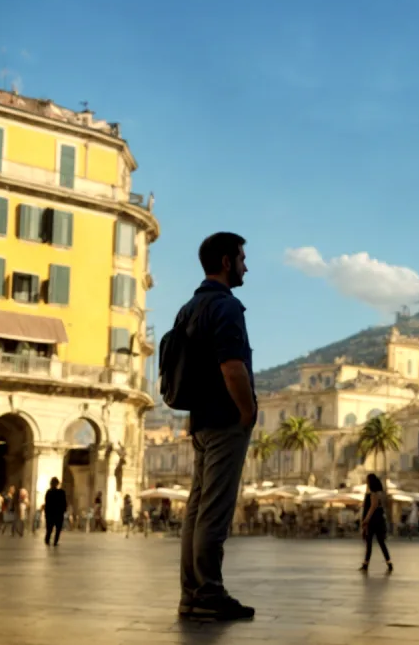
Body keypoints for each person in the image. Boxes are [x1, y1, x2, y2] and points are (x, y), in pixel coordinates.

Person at [176, 232, 257, 621]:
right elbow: (232, 366)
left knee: (196, 507)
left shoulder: (188, 308)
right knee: (215, 510)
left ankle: (191, 592)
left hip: (200, 419)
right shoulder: (226, 307)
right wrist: (248, 410)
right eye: (242, 258)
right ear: (226, 262)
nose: (246, 266)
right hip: (225, 418)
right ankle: (209, 592)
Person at [360, 473, 393, 573]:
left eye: (367, 481)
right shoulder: (378, 492)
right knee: (380, 542)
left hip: (373, 520)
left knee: (370, 542)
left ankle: (366, 564)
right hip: (378, 520)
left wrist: (366, 519)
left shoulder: (374, 493)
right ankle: (388, 562)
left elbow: (373, 506)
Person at [44, 477, 67, 546]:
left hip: (50, 513)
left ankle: (47, 540)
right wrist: (63, 510)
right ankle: (55, 541)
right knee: (58, 529)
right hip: (58, 514)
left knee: (49, 528)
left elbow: (47, 503)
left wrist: (46, 513)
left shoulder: (49, 492)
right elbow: (64, 503)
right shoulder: (61, 492)